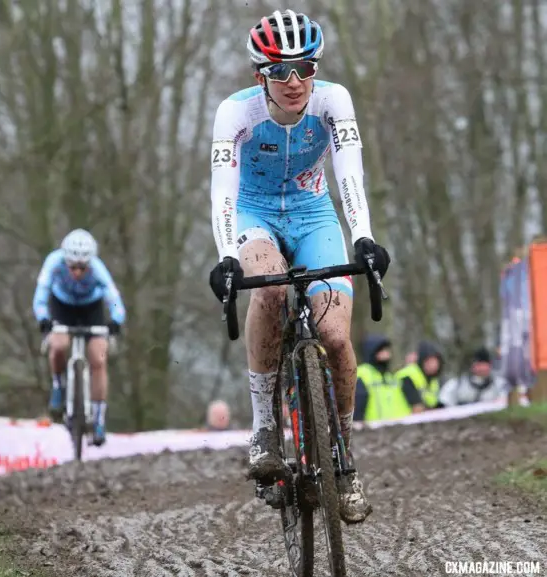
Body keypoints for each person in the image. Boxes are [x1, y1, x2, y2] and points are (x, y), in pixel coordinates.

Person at [207, 9, 390, 524]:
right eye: (280, 71)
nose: (294, 82)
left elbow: (349, 173)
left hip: (313, 214)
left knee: (334, 336)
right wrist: (226, 254)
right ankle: (264, 428)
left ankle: (345, 465)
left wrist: (364, 238)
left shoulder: (334, 102)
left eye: (305, 68)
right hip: (254, 213)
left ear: (317, 70)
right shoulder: (235, 113)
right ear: (258, 75)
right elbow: (222, 190)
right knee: (268, 292)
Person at [32, 228, 126, 446]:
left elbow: (113, 297)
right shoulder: (54, 262)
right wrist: (43, 318)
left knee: (98, 358)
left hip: (91, 308)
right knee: (58, 345)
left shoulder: (98, 269)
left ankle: (99, 418)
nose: (77, 272)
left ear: (89, 263)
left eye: (82, 267)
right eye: (72, 266)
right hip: (62, 305)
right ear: (65, 261)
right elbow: (41, 293)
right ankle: (58, 385)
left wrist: (116, 321)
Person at [354, 335, 423, 423]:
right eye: (382, 351)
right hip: (372, 431)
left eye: (387, 350)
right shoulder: (363, 374)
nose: (387, 354)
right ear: (372, 352)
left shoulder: (391, 377)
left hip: (398, 429)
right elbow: (357, 410)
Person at [439, 347, 507, 406]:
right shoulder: (457, 384)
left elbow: (506, 400)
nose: (482, 368)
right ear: (472, 366)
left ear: (490, 366)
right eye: (478, 365)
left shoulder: (499, 385)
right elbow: (445, 401)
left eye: (484, 365)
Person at [395, 340, 445, 409]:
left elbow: (432, 403)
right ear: (422, 361)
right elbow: (417, 408)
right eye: (429, 361)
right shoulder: (408, 375)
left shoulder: (433, 380)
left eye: (436, 361)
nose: (433, 365)